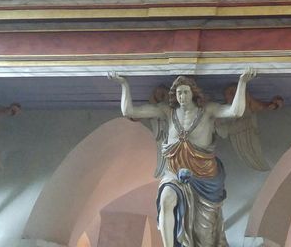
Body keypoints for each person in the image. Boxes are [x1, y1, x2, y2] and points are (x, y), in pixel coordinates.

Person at [109, 70, 256, 247]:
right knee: (166, 200)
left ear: (193, 93)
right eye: (178, 92)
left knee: (205, 238)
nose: (182, 96)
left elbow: (235, 111)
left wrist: (242, 82)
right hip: (175, 172)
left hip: (204, 177)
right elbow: (129, 111)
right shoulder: (167, 111)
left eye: (185, 92)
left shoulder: (207, 110)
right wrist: (124, 85)